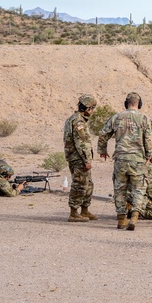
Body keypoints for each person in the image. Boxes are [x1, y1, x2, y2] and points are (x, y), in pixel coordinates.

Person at [97, 92, 152, 231]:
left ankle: (121, 219)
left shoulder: (116, 117)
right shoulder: (144, 119)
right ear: (139, 104)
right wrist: (149, 155)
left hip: (121, 159)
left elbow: (103, 133)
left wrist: (102, 150)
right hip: (137, 160)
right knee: (139, 189)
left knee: (119, 189)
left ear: (126, 103)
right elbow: (149, 139)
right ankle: (134, 216)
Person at [63, 94, 99, 223]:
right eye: (92, 109)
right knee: (79, 184)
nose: (92, 112)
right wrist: (86, 160)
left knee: (88, 184)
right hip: (78, 158)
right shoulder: (78, 121)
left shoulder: (75, 119)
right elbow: (81, 143)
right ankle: (73, 212)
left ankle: (85, 210)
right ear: (87, 108)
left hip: (78, 158)